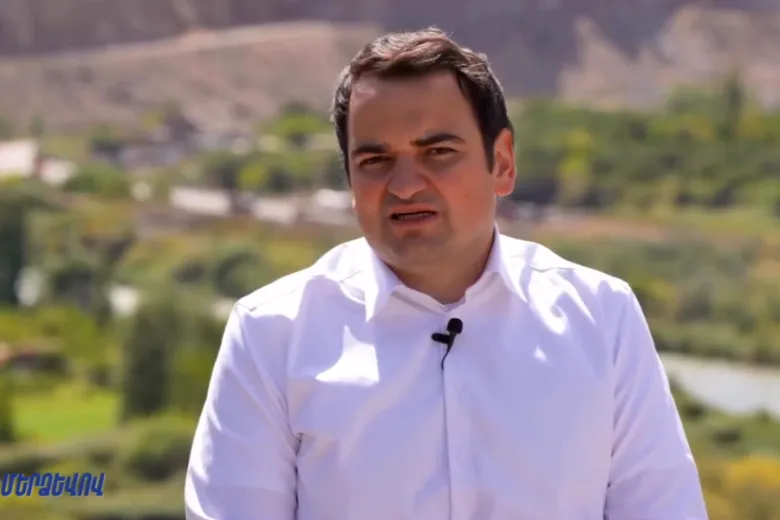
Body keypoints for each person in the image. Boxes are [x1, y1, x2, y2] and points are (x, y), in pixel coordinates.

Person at [184, 27, 709, 520]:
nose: (405, 185)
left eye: (438, 152)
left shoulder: (601, 317)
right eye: (375, 161)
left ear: (502, 162)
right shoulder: (271, 334)